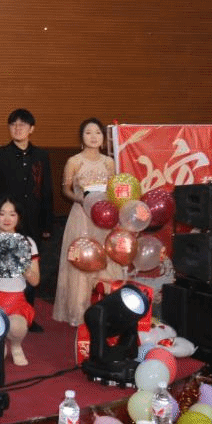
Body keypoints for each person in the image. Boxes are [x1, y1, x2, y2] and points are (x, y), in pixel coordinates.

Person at [53, 117, 124, 326]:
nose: (93, 137)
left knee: (106, 258)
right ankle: (79, 312)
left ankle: (106, 309)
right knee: (81, 261)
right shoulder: (74, 161)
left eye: (98, 133)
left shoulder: (109, 162)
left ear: (103, 138)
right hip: (82, 216)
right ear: (82, 137)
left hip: (105, 218)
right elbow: (65, 190)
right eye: (88, 133)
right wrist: (82, 199)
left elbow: (114, 189)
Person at [0, 200, 40, 365]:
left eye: (12, 214)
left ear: (18, 217)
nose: (7, 219)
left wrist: (21, 264)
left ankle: (16, 345)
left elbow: (35, 281)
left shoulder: (28, 243)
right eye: (2, 214)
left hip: (16, 300)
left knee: (17, 327)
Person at [0, 108, 54, 242]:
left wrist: (47, 224)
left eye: (22, 124)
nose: (17, 128)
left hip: (34, 220)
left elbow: (46, 190)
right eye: (13, 124)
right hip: (7, 221)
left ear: (31, 129)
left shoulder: (41, 156)